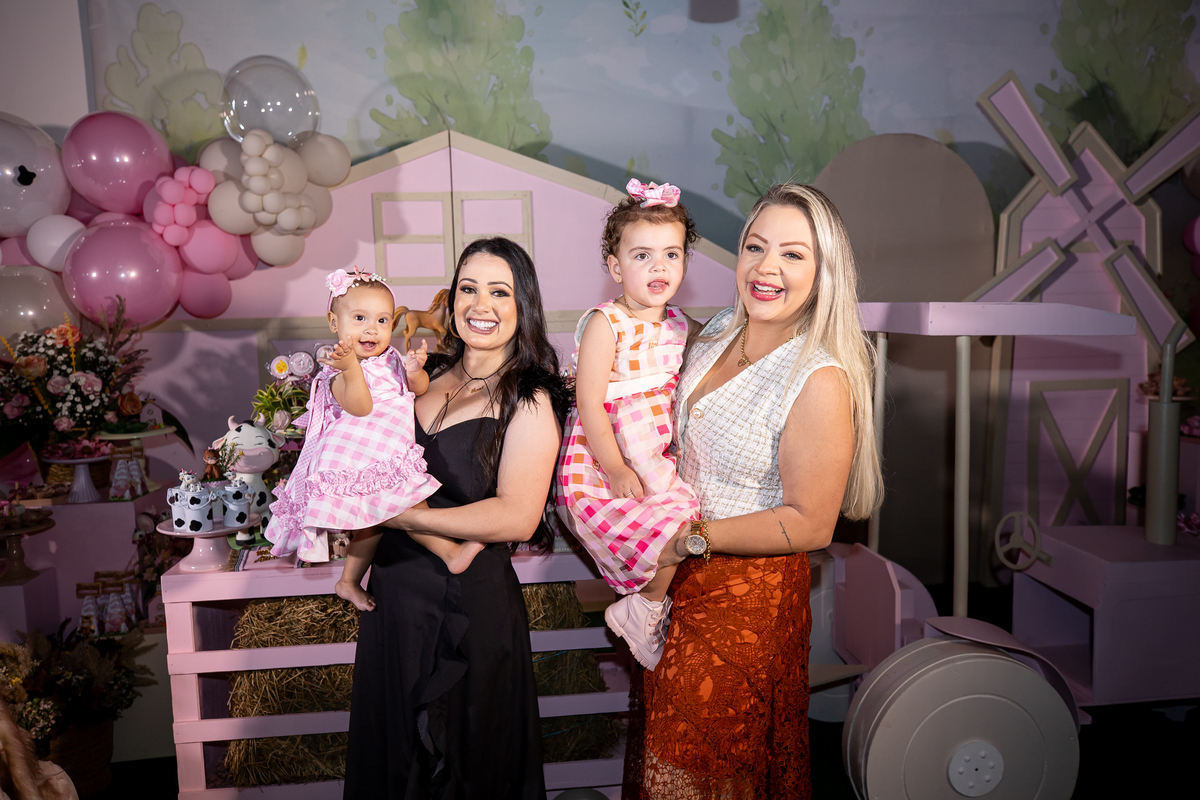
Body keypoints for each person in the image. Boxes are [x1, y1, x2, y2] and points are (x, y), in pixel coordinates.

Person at [624, 184, 883, 799]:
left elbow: (812, 523)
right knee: (665, 755)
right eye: (755, 247)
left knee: (706, 773)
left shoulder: (818, 376)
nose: (766, 268)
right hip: (672, 586)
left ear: (823, 273)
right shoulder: (717, 331)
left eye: (793, 255)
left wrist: (690, 539)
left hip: (746, 601)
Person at [345, 237, 569, 799]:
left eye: (500, 291)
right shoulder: (420, 375)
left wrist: (407, 519)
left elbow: (517, 517)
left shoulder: (531, 396)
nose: (480, 305)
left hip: (468, 607)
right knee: (395, 766)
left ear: (524, 304)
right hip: (394, 602)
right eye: (468, 288)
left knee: (468, 773)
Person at [263, 268, 476, 613]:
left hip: (388, 448)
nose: (372, 329)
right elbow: (361, 407)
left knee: (374, 522)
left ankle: (348, 581)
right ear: (334, 322)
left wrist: (414, 370)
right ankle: (450, 552)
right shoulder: (336, 372)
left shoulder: (390, 358)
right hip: (361, 455)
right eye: (360, 318)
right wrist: (350, 368)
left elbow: (417, 390)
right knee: (407, 507)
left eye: (382, 320)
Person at [556, 179, 702, 670]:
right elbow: (589, 401)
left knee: (688, 519)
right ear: (616, 268)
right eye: (642, 256)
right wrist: (615, 466)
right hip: (609, 452)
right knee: (671, 525)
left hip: (655, 450)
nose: (659, 267)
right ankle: (645, 607)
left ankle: (643, 607)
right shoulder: (607, 322)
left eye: (671, 255)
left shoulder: (681, 324)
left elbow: (714, 353)